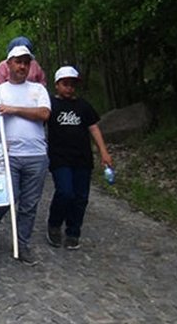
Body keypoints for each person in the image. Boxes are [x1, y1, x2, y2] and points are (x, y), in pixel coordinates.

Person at [0, 45, 51, 266]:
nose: (22, 66)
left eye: (26, 62)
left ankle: (22, 245)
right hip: (9, 156)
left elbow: (44, 114)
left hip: (37, 155)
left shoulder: (38, 90)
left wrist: (14, 110)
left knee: (29, 205)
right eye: (18, 61)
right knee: (6, 199)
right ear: (8, 64)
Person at [45, 66, 113, 251]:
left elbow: (93, 128)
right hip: (60, 158)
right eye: (65, 84)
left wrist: (103, 151)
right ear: (57, 85)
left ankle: (73, 231)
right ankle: (54, 224)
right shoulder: (50, 105)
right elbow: (38, 121)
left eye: (72, 84)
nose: (69, 88)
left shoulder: (83, 106)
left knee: (81, 197)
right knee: (65, 192)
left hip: (82, 158)